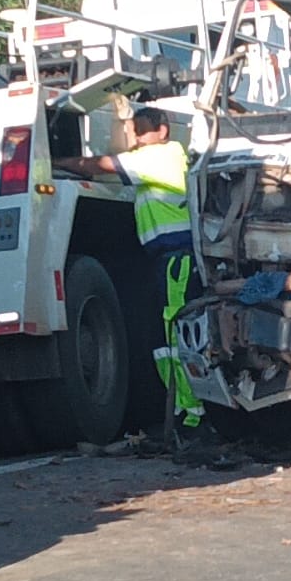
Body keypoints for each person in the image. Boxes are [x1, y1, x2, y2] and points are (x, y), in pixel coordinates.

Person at [52, 104, 204, 430]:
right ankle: (187, 413)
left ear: (162, 131)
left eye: (142, 130)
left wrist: (52, 162)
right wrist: (123, 120)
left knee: (176, 337)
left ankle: (193, 417)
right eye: (134, 132)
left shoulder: (159, 158)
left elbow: (100, 164)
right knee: (174, 337)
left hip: (175, 260)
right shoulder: (169, 157)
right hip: (175, 260)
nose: (136, 138)